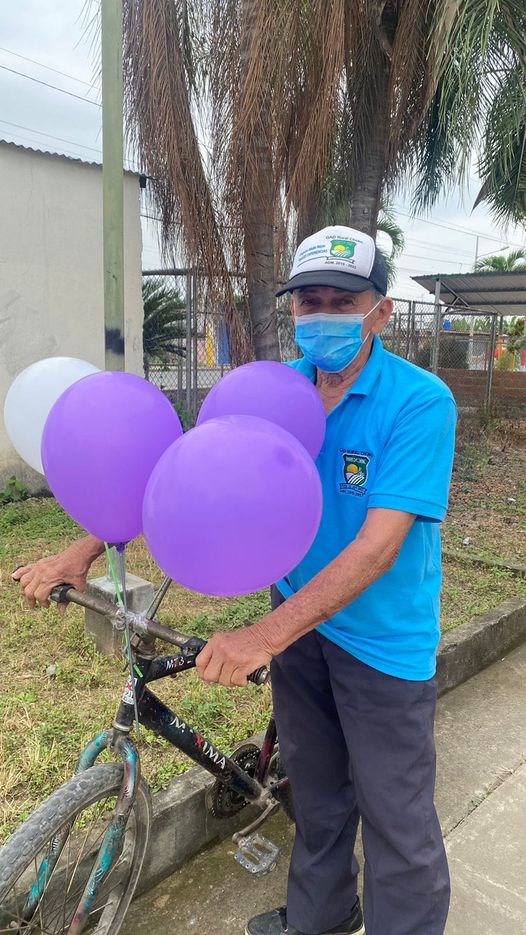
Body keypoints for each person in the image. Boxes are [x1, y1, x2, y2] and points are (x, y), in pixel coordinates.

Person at [14, 225, 456, 935]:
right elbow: (182, 469)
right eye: (309, 301)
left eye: (342, 301)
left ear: (380, 312)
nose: (322, 315)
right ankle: (321, 916)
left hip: (381, 642)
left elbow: (377, 550)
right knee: (317, 794)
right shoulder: (271, 391)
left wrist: (262, 636)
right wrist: (84, 549)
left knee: (395, 819)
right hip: (300, 626)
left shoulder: (419, 402)